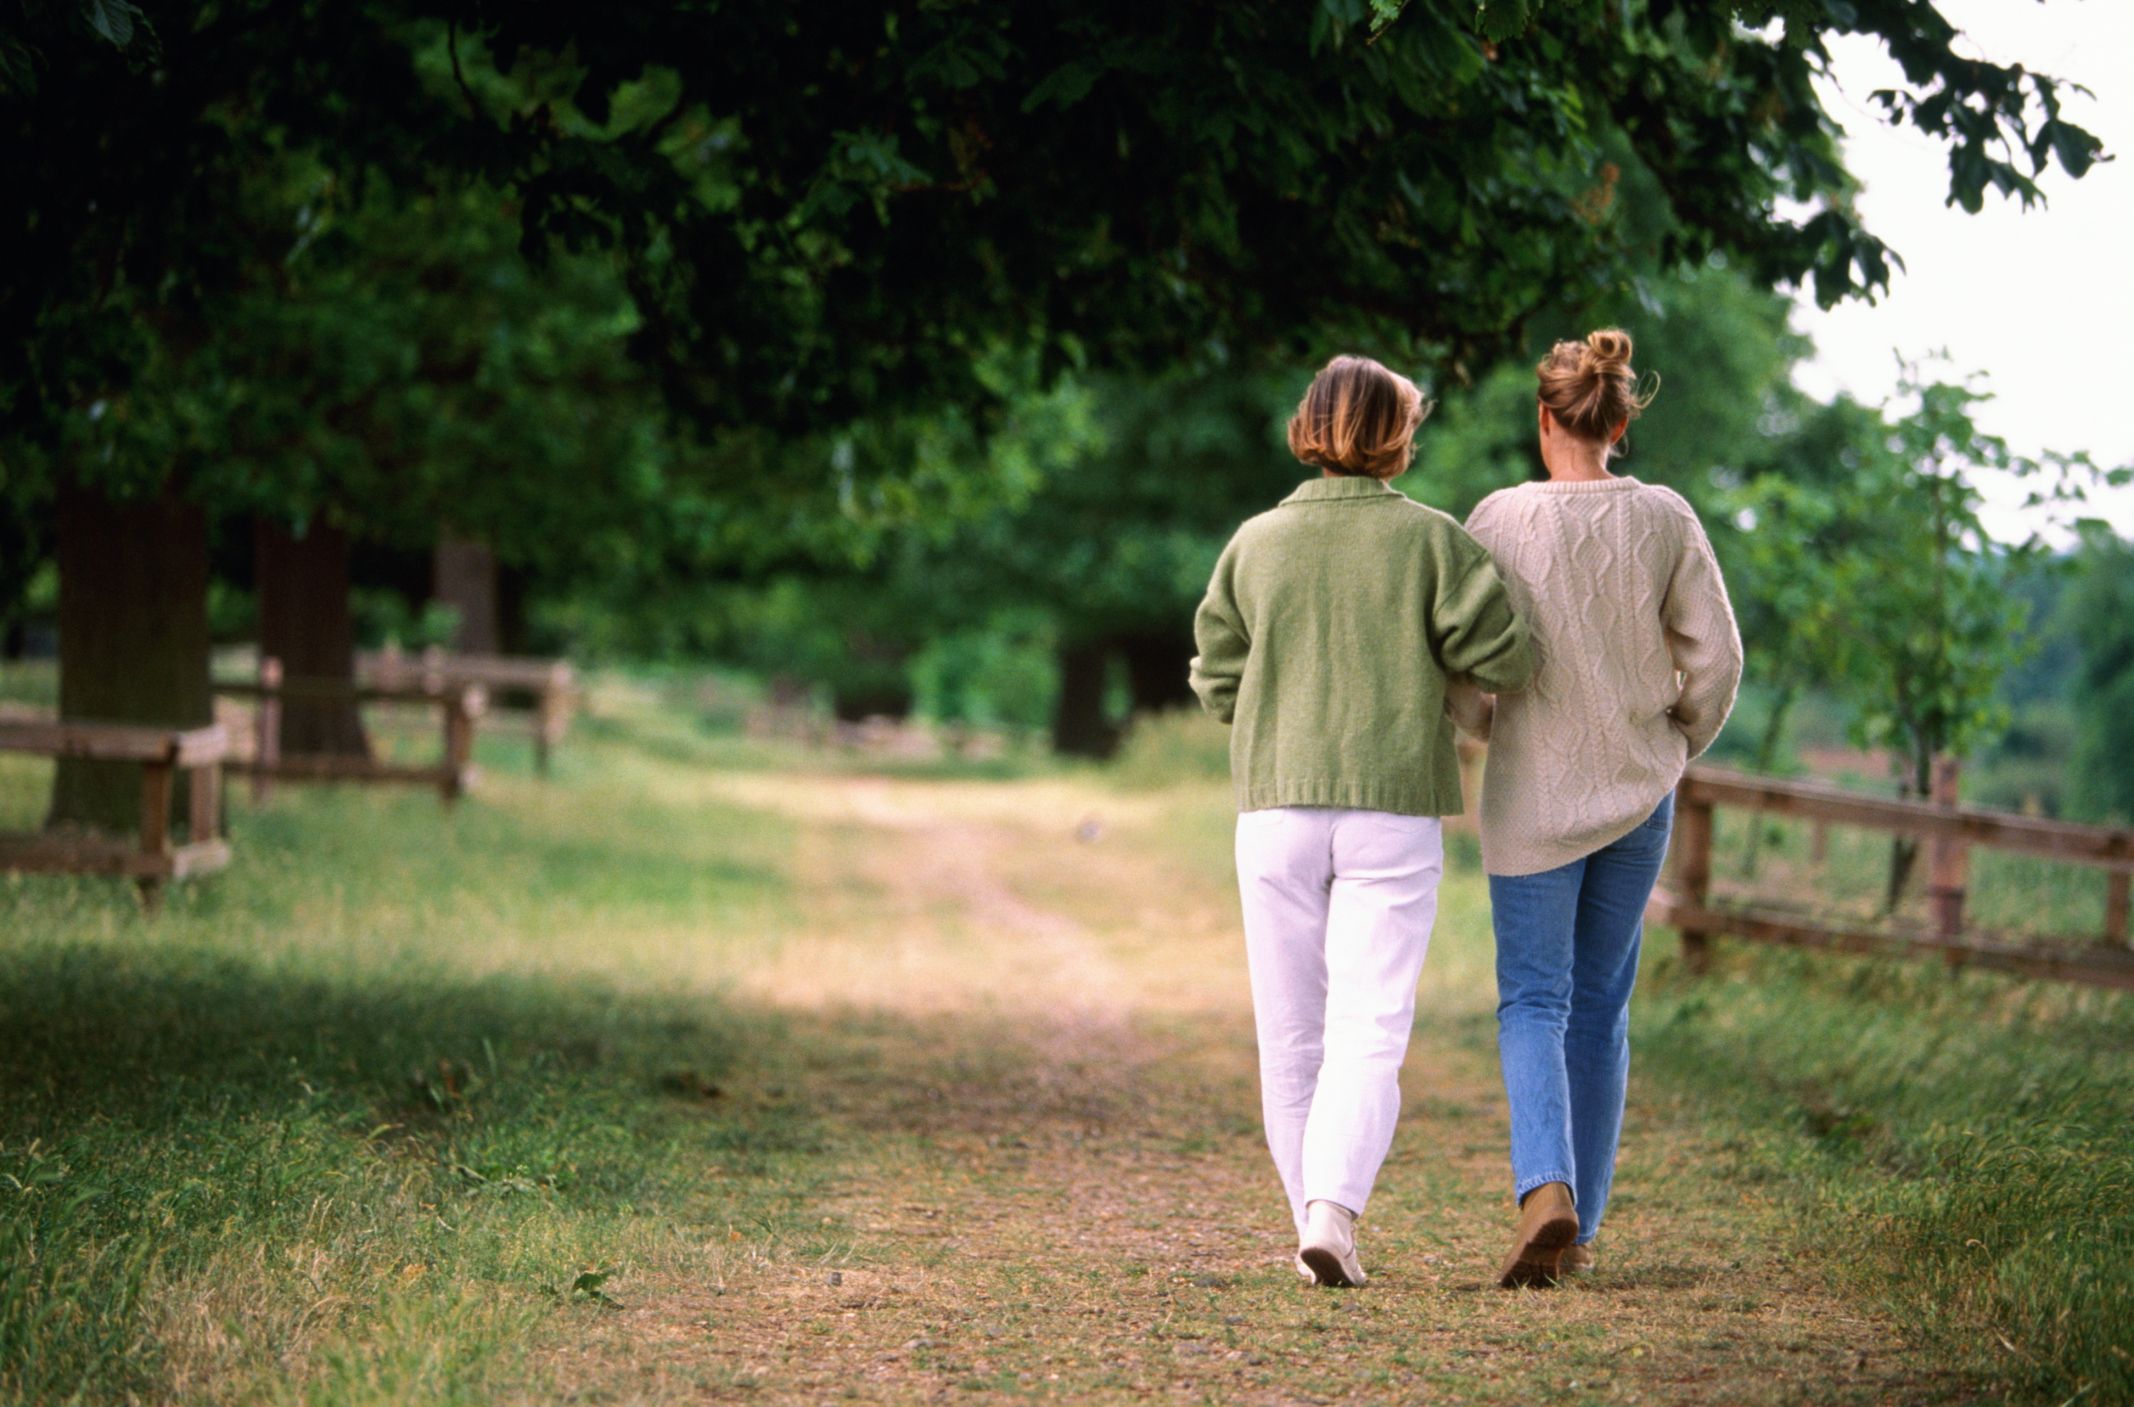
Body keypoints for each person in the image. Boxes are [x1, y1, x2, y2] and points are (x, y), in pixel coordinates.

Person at [1190, 354, 1534, 1287]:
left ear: (1309, 425)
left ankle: (1315, 1218)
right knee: (1369, 1025)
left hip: (1274, 803)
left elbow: (1216, 675)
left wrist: (1274, 706)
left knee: (1290, 1030)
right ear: (1397, 435)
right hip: (1390, 803)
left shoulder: (1255, 541)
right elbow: (1504, 657)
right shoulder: (1432, 541)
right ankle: (1332, 1214)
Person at [1448, 328, 1743, 1287]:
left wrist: (1492, 726)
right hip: (1636, 795)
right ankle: (1581, 1230)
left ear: (1546, 420)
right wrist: (1674, 744)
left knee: (1533, 998)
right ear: (1620, 422)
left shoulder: (1494, 518)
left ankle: (1546, 1189)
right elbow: (1718, 658)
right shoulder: (1665, 517)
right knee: (1602, 1009)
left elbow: (1460, 659)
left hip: (1531, 798)